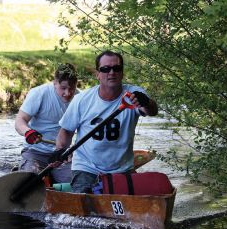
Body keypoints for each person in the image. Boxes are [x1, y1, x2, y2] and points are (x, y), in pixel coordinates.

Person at [54, 50, 158, 193]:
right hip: (87, 167)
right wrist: (60, 150)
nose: (111, 73)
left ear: (122, 72)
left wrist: (145, 102)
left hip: (122, 169)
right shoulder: (82, 100)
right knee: (84, 204)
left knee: (138, 204)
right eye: (105, 69)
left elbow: (151, 110)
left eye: (117, 68)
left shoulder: (134, 94)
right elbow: (66, 131)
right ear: (98, 74)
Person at [15, 63, 79, 183]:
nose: (68, 93)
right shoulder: (39, 93)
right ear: (55, 83)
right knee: (29, 182)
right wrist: (27, 132)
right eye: (63, 88)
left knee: (75, 182)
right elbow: (20, 120)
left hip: (63, 155)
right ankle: (25, 171)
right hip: (35, 152)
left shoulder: (80, 99)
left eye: (72, 88)